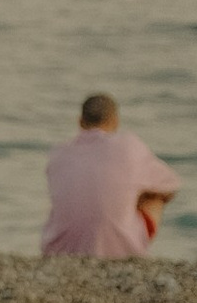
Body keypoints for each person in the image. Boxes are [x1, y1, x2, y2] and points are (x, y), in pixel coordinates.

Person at [41, 93, 178, 260]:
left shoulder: (59, 153)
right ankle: (130, 248)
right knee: (154, 198)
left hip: (59, 251)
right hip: (119, 252)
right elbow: (170, 186)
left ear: (80, 121)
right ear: (115, 121)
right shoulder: (129, 146)